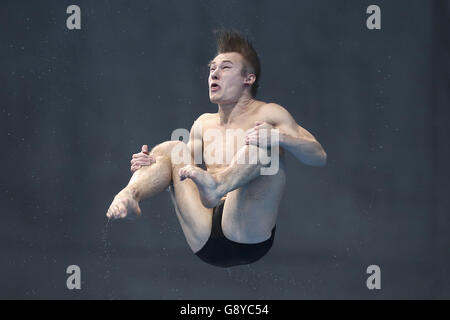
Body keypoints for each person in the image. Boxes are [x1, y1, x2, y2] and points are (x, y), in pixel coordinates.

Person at [106, 31, 327, 267]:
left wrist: (278, 137)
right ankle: (130, 195)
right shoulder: (203, 123)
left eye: (225, 67)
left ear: (248, 79)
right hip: (205, 235)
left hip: (247, 233)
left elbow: (318, 156)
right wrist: (151, 164)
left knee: (264, 143)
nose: (214, 73)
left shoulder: (269, 113)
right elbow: (175, 168)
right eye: (212, 68)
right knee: (172, 149)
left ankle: (219, 184)